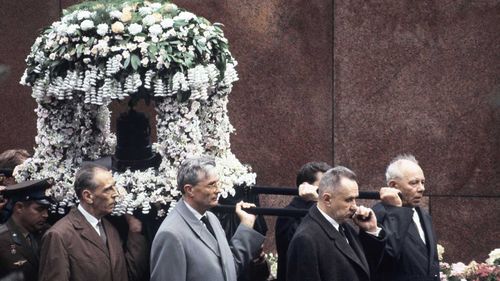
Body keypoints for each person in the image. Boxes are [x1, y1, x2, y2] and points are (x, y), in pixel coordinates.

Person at [150, 156, 265, 281]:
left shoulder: (211, 218)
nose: (218, 190)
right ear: (190, 190)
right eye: (211, 185)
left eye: (218, 183)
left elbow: (228, 270)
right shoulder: (171, 235)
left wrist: (246, 225)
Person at [38, 163, 148, 281]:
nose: (116, 193)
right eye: (108, 189)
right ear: (88, 196)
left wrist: (135, 231)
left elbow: (126, 274)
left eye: (114, 187)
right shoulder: (59, 235)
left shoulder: (110, 229)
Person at [286, 166, 386, 281]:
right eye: (348, 200)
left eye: (355, 199)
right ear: (327, 199)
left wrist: (371, 230)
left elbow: (365, 268)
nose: (354, 206)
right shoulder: (306, 239)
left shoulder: (343, 226)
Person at [372, 154, 440, 281]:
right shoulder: (378, 214)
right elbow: (387, 255)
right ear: (393, 185)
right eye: (414, 183)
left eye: (423, 182)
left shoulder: (424, 215)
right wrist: (397, 209)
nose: (421, 188)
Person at [275, 161, 331, 281]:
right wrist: (314, 202)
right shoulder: (288, 215)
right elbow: (301, 246)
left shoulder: (327, 210)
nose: (330, 190)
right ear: (306, 187)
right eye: (325, 185)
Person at [0, 178, 53, 281]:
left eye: (47, 209)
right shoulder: (2, 239)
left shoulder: (48, 232)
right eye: (39, 209)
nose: (46, 215)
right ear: (19, 207)